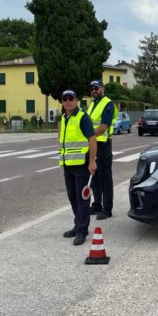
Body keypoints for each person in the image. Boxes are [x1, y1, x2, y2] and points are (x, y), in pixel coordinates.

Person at [59, 89, 97, 246]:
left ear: (76, 100)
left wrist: (92, 162)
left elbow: (92, 139)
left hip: (81, 165)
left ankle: (82, 231)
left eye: (70, 98)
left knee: (82, 199)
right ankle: (77, 225)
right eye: (65, 98)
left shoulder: (82, 117)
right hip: (68, 165)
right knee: (72, 197)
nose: (67, 101)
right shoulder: (63, 118)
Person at [87, 80, 118, 220]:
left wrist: (90, 135)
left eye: (96, 88)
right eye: (92, 89)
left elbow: (104, 126)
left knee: (105, 178)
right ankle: (97, 204)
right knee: (94, 178)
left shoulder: (108, 104)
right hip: (93, 144)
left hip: (103, 145)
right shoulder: (92, 105)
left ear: (102, 89)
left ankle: (107, 209)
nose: (94, 91)